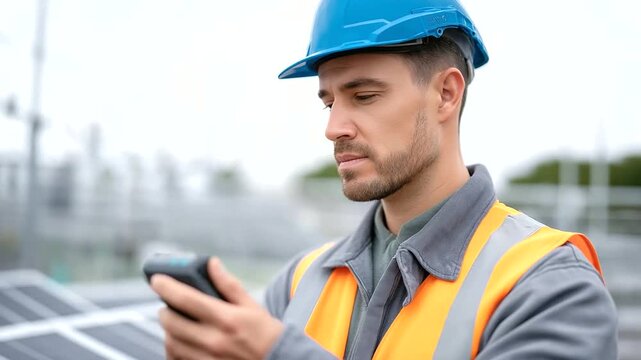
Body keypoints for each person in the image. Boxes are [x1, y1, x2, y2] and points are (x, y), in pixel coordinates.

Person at [150, 0, 619, 358]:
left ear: (446, 94)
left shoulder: (550, 286)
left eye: (365, 96)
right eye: (330, 101)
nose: (333, 128)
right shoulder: (297, 283)